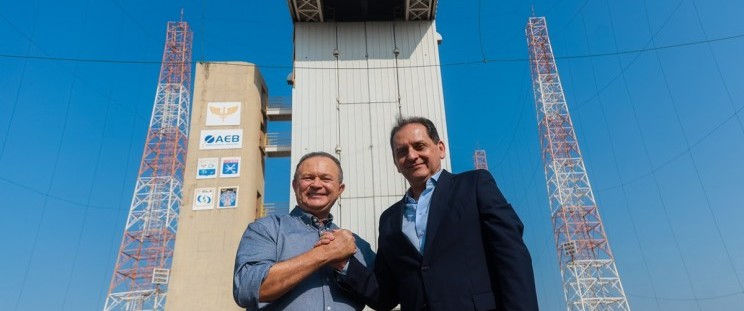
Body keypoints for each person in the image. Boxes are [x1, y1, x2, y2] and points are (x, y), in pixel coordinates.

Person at [332, 116, 539, 311]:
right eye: (402, 151)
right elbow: (386, 295)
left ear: (440, 148)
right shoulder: (389, 219)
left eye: (419, 146)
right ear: (395, 163)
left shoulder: (474, 186)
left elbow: (512, 258)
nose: (412, 156)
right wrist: (345, 265)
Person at [233, 151, 374, 311]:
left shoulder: (357, 245)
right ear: (294, 185)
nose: (316, 184)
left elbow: (382, 298)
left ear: (340, 189)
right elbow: (246, 289)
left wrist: (346, 265)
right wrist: (326, 253)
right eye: (308, 178)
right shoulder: (265, 229)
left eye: (326, 178)